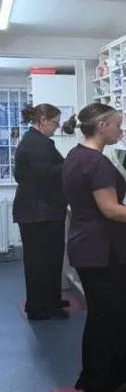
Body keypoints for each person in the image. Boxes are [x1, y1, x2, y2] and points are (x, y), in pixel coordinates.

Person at [62, 103, 126, 392]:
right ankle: (105, 382)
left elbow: (101, 205)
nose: (121, 130)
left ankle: (92, 377)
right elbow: (109, 209)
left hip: (86, 244)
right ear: (102, 126)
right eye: (118, 124)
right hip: (102, 250)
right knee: (113, 316)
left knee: (100, 315)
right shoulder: (97, 163)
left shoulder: (76, 155)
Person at [13, 104, 70, 321]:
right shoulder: (37, 144)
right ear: (43, 120)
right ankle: (40, 307)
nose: (56, 127)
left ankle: (51, 299)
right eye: (54, 123)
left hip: (40, 210)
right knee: (41, 262)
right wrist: (71, 164)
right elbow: (46, 175)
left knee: (50, 259)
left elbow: (26, 175)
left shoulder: (36, 141)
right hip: (38, 212)